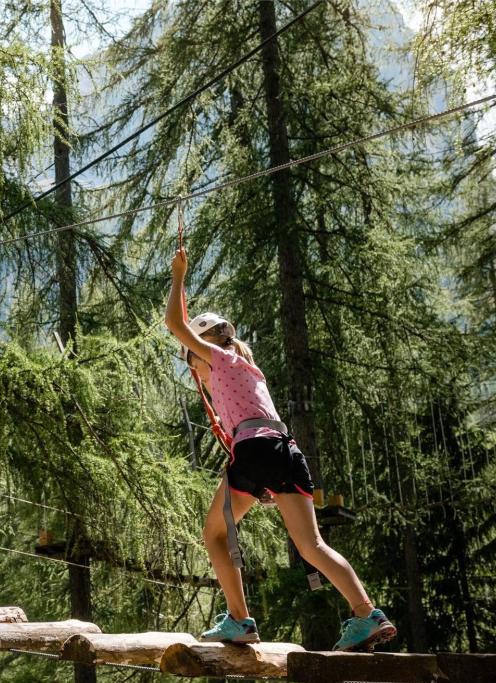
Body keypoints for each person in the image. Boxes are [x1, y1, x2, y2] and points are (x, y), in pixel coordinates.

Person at [164, 247, 396, 652]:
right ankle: (367, 614)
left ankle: (239, 620)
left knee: (215, 534)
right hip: (285, 451)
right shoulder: (249, 370)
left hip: (255, 450)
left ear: (203, 349)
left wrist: (179, 275)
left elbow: (173, 322)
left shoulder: (219, 359)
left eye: (192, 361)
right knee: (313, 545)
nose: (195, 370)